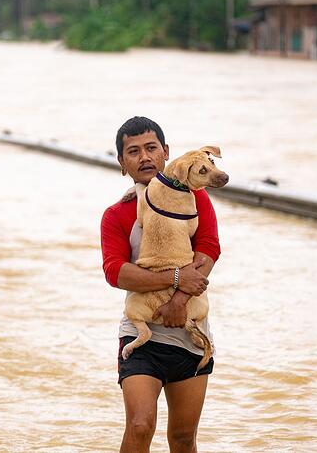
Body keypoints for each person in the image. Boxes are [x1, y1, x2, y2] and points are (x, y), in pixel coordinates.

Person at [100, 116, 221, 452]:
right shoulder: (117, 214)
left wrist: (179, 300)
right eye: (134, 152)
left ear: (167, 152)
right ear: (122, 163)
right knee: (140, 426)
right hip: (142, 336)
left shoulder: (197, 199)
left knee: (183, 439)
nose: (145, 157)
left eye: (151, 148)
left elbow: (209, 248)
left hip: (191, 333)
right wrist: (176, 278)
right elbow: (116, 272)